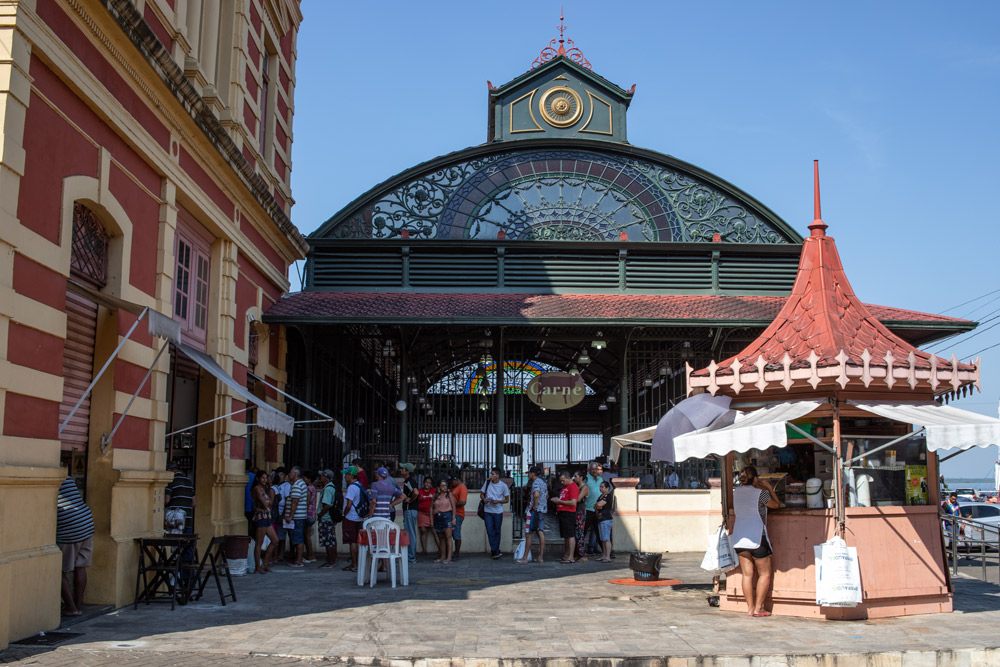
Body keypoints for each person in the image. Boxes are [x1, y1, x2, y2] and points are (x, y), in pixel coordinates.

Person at [731, 465, 779, 617]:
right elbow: (776, 505)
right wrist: (769, 488)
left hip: (739, 537)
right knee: (764, 574)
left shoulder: (736, 492)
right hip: (757, 537)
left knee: (747, 575)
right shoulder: (760, 494)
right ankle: (759, 608)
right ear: (756, 478)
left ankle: (750, 609)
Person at [56, 475, 94, 616]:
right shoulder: (67, 477)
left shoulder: (51, 477)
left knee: (58, 570)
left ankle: (71, 607)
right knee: (80, 566)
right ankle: (78, 606)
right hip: (86, 522)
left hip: (70, 527)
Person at [517, 465, 547, 563]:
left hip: (535, 511)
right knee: (540, 532)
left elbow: (536, 495)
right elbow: (547, 495)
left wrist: (533, 506)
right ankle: (540, 557)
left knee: (528, 533)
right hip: (542, 510)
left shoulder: (535, 483)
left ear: (532, 474)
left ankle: (524, 558)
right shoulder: (543, 482)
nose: (528, 475)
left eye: (529, 473)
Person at [341, 466, 366, 572]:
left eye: (346, 474)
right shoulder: (359, 485)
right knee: (356, 540)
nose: (345, 476)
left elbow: (349, 504)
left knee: (352, 542)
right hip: (358, 517)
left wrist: (344, 514)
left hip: (350, 517)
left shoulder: (351, 487)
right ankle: (357, 564)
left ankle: (354, 565)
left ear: (350, 475)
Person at [251, 471, 277, 574]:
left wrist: (268, 502)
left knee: (275, 540)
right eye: (263, 478)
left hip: (266, 517)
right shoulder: (257, 489)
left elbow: (270, 502)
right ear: (258, 478)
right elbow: (266, 503)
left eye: (266, 478)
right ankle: (257, 567)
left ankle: (264, 563)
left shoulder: (263, 489)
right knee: (259, 543)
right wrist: (268, 502)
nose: (265, 480)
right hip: (260, 516)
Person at [481, 467, 509, 559]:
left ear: (498, 475)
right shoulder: (487, 482)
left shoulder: (503, 486)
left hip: (498, 511)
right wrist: (484, 499)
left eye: (493, 474)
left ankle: (495, 550)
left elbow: (506, 500)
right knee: (490, 531)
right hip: (487, 510)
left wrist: (498, 501)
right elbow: (481, 493)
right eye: (491, 474)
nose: (491, 476)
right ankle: (495, 550)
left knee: (497, 531)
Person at [551, 471, 579, 564]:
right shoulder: (565, 487)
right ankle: (566, 554)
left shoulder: (572, 487)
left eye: (563, 481)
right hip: (562, 512)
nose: (561, 483)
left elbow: (573, 502)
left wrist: (559, 502)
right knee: (566, 535)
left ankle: (571, 556)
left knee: (570, 535)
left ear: (568, 478)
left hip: (569, 512)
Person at [283, 466, 308, 567]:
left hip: (297, 517)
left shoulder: (297, 485)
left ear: (296, 474)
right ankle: (298, 559)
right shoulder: (301, 484)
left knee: (298, 539)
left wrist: (290, 516)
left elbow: (295, 501)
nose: (289, 474)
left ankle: (299, 560)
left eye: (291, 472)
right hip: (299, 516)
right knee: (298, 538)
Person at [316, 469, 340, 568]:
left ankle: (331, 561)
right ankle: (331, 559)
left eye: (322, 476)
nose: (320, 477)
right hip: (328, 518)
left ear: (326, 477)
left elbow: (327, 505)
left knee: (328, 541)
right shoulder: (330, 487)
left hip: (326, 518)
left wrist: (320, 515)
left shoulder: (328, 489)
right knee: (331, 539)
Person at [164, 461, 195, 534]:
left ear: (169, 470)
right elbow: (194, 503)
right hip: (188, 518)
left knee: (174, 542)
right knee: (187, 542)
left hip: (175, 520)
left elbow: (167, 500)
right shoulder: (189, 481)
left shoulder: (171, 480)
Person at [431, 478, 457, 563]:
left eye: (445, 485)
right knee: (441, 538)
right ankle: (442, 556)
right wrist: (431, 521)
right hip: (437, 517)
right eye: (442, 485)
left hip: (447, 516)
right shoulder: (435, 496)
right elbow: (431, 508)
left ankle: (449, 558)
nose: (444, 487)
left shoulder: (449, 495)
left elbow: (453, 507)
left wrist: (453, 519)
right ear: (438, 487)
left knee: (448, 537)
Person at [399, 463, 419, 564]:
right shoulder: (409, 481)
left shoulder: (409, 481)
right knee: (411, 532)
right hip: (411, 510)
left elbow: (415, 492)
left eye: (403, 469)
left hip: (410, 510)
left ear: (407, 471)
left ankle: (411, 557)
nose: (401, 470)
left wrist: (410, 500)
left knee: (410, 533)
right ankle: (411, 555)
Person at [583, 462, 603, 556]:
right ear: (589, 470)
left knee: (597, 531)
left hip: (598, 508)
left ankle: (593, 547)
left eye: (596, 469)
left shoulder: (600, 479)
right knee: (584, 530)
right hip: (588, 508)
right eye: (592, 469)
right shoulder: (586, 478)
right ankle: (581, 549)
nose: (594, 471)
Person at [272, 468, 290, 562]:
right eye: (278, 474)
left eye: (282, 474)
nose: (280, 476)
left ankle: (281, 554)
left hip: (282, 511)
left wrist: (283, 515)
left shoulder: (287, 485)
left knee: (281, 535)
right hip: (275, 512)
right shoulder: (275, 485)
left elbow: (287, 501)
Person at [594, 480, 614, 562]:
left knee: (606, 538)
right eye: (600, 487)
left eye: (602, 487)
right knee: (603, 539)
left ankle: (608, 556)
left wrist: (597, 505)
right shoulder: (601, 496)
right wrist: (597, 505)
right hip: (601, 518)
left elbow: (599, 504)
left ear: (607, 488)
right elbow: (595, 506)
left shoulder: (608, 496)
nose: (600, 488)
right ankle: (604, 555)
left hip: (606, 518)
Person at [448, 477, 468, 559]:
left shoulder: (462, 487)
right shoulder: (452, 487)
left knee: (456, 534)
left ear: (456, 480)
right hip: (450, 513)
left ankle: (457, 553)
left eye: (452, 482)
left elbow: (463, 502)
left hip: (458, 514)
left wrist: (451, 505)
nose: (451, 484)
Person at [572, 470, 589, 561]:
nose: (574, 478)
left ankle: (582, 554)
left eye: (576, 476)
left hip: (580, 511)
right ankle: (577, 553)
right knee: (575, 533)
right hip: (575, 511)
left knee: (579, 533)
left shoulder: (584, 487)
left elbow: (578, 499)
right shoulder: (576, 486)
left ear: (581, 477)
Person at [303, 470, 319, 563]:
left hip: (308, 514)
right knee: (307, 536)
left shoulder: (309, 489)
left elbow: (307, 502)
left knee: (306, 536)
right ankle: (311, 554)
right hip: (312, 514)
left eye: (305, 478)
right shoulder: (313, 488)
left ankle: (310, 554)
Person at [417, 476, 436, 554]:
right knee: (423, 531)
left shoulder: (434, 491)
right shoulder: (419, 491)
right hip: (422, 513)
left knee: (435, 531)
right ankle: (424, 550)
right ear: (423, 483)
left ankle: (441, 550)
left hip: (432, 514)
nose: (427, 484)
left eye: (429, 482)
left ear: (431, 484)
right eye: (426, 482)